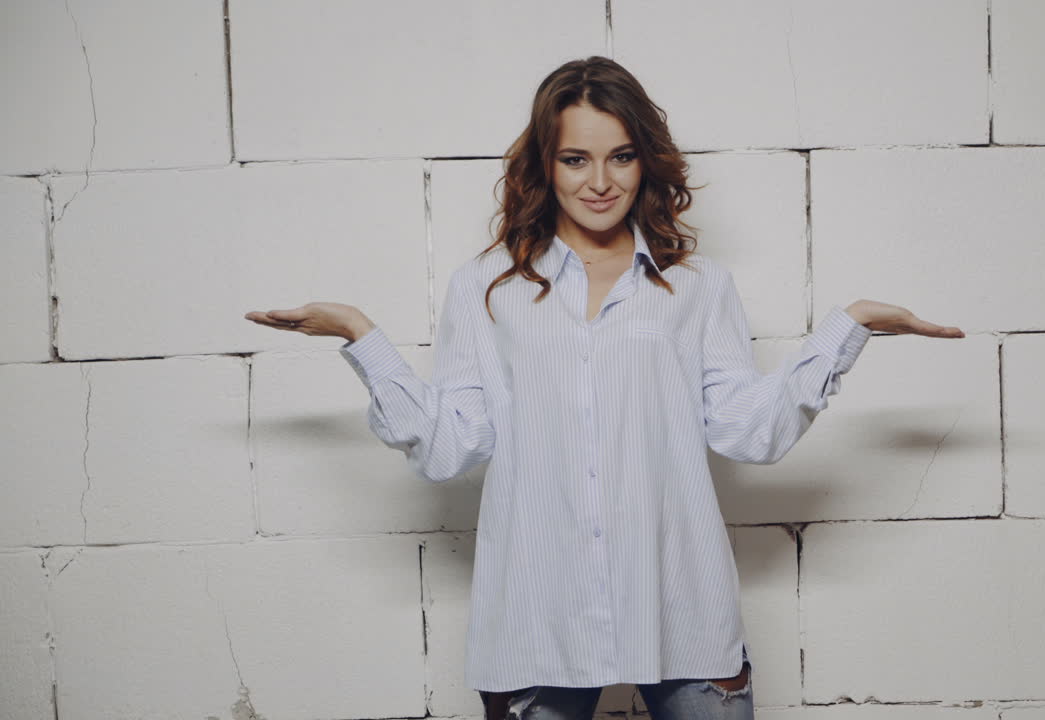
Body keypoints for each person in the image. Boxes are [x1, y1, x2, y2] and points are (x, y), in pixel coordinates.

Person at [245, 56, 963, 720]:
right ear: (545, 166)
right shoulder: (486, 288)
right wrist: (360, 336)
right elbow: (450, 448)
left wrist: (847, 330)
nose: (600, 181)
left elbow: (750, 430)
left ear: (644, 161)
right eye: (575, 158)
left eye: (620, 156)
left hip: (680, 605)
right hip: (538, 615)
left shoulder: (696, 284)